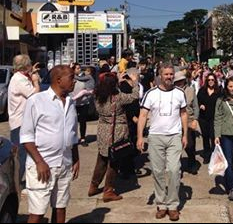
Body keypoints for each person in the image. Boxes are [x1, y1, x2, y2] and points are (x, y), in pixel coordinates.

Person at [20, 65, 79, 224]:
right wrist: (39, 162)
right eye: (71, 78)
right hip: (42, 166)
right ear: (59, 80)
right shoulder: (37, 101)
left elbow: (73, 134)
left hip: (64, 164)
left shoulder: (71, 103)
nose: (75, 81)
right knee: (37, 212)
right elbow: (26, 136)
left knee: (60, 207)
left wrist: (75, 158)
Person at [137, 63, 188, 221]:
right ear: (160, 75)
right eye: (166, 74)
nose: (169, 77)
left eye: (171, 74)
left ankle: (172, 205)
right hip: (156, 136)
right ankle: (161, 203)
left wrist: (185, 134)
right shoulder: (150, 93)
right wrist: (140, 137)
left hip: (174, 136)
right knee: (158, 171)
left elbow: (184, 114)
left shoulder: (180, 93)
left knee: (174, 170)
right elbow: (143, 116)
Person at [88, 71, 139, 202]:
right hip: (116, 131)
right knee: (114, 160)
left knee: (102, 159)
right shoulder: (118, 97)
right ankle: (108, 190)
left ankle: (94, 185)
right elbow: (135, 96)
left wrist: (116, 79)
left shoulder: (97, 96)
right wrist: (135, 82)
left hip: (102, 130)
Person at [8, 55, 41, 183]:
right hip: (20, 122)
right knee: (21, 155)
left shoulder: (21, 78)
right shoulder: (19, 80)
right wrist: (35, 81)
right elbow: (35, 95)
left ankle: (19, 181)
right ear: (25, 66)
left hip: (22, 121)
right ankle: (16, 184)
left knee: (25, 154)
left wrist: (31, 74)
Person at [175, 71, 200, 175]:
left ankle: (192, 163)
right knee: (176, 147)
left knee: (190, 145)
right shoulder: (172, 91)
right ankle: (177, 168)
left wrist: (195, 119)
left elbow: (195, 106)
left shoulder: (190, 90)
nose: (179, 83)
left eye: (181, 80)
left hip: (189, 121)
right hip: (175, 121)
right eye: (177, 81)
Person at [197, 73, 223, 164]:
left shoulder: (219, 91)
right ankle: (207, 155)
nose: (210, 82)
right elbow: (197, 101)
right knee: (205, 137)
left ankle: (215, 156)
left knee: (213, 137)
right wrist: (200, 105)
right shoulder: (202, 90)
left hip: (214, 118)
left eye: (212, 80)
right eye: (209, 80)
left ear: (215, 81)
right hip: (203, 118)